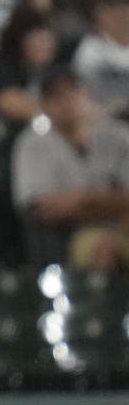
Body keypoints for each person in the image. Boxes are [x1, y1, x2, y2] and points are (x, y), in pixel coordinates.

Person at [12, 66, 129, 271]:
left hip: (123, 227)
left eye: (74, 92)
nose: (68, 102)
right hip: (72, 236)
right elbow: (42, 211)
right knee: (105, 251)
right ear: (44, 105)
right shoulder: (32, 143)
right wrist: (115, 204)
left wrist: (80, 198)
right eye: (57, 97)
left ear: (87, 96)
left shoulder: (117, 135)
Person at [72, 0, 129, 118]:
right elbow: (84, 94)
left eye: (125, 4)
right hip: (105, 120)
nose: (119, 11)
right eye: (112, 5)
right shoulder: (89, 50)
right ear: (98, 13)